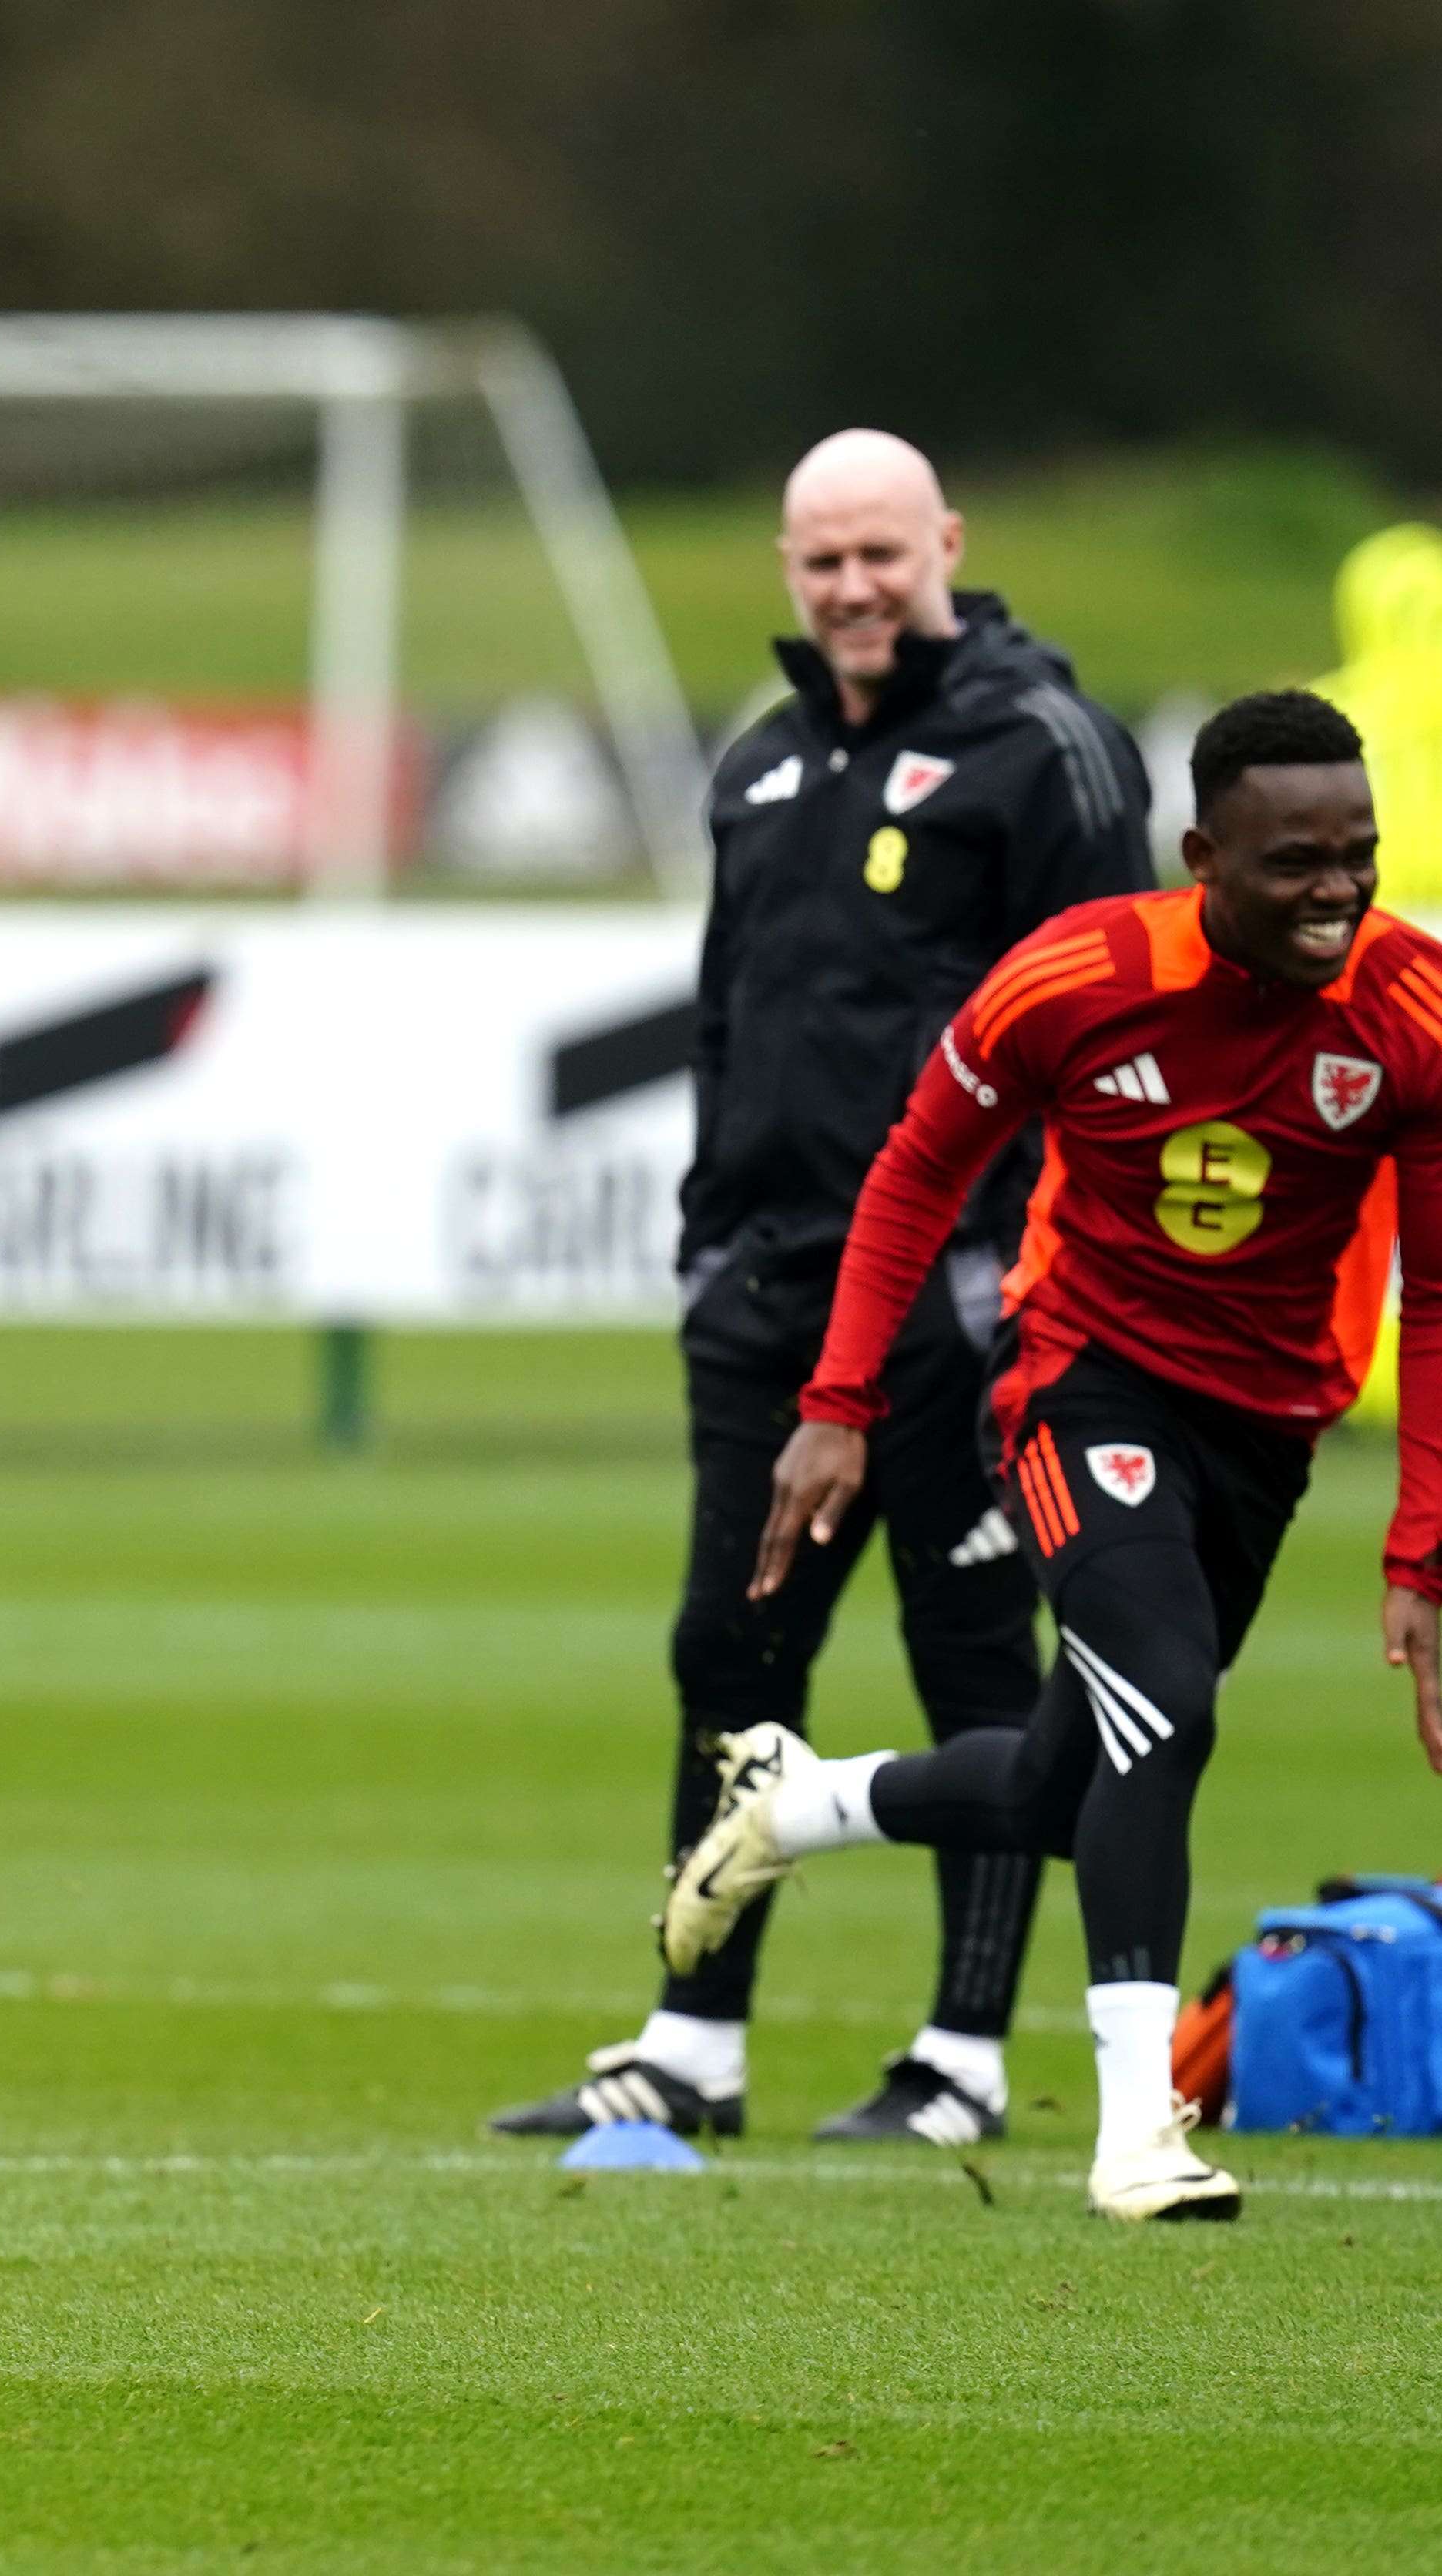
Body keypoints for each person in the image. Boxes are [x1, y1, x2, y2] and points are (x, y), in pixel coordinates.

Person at [662, 690, 1440, 2221]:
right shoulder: (1079, 977)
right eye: (1297, 860)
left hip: (1266, 1429)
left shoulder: (1410, 1007)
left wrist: (1420, 1549)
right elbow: (913, 1172)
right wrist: (838, 1402)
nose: (1338, 888)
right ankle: (1139, 2128)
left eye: (1359, 852)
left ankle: (805, 1809)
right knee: (1169, 1702)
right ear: (1203, 853)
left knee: (1054, 1780)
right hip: (1079, 1382)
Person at [491, 431, 1154, 2149]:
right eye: (821, 562)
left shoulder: (1045, 748)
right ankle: (692, 2037)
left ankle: (962, 2058)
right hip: (773, 1293)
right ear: (788, 571)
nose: (854, 588)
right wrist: (712, 1232)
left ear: (947, 539)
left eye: (880, 553)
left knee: (973, 1659)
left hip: (968, 1295)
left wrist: (1041, 1278)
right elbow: (728, 1020)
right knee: (733, 1648)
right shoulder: (767, 763)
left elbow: (1120, 1029)